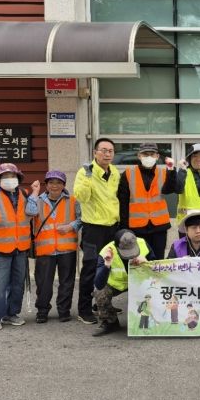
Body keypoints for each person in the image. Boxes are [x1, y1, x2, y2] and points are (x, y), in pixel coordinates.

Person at [0, 163, 39, 331]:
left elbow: (31, 213)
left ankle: (11, 314)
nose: (9, 179)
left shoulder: (23, 193)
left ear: (18, 178)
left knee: (17, 284)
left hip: (20, 248)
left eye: (12, 176)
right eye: (5, 176)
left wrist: (35, 193)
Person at [73, 137, 121, 325]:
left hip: (112, 227)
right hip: (93, 229)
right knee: (91, 268)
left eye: (110, 151)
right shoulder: (85, 172)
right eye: (103, 150)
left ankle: (102, 304)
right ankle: (84, 310)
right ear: (95, 153)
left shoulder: (114, 171)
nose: (107, 154)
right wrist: (87, 176)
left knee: (109, 267)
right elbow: (81, 197)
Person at [33, 170, 81, 324]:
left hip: (67, 249)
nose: (55, 186)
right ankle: (42, 311)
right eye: (51, 182)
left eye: (59, 182)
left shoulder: (73, 200)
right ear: (46, 185)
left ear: (64, 185)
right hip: (45, 250)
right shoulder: (37, 201)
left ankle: (64, 311)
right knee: (43, 283)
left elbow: (81, 218)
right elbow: (28, 213)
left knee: (67, 282)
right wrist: (34, 193)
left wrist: (70, 226)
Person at [118, 143, 176, 260]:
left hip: (159, 227)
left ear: (157, 156)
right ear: (139, 155)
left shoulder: (164, 172)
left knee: (158, 261)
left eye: (152, 154)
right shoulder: (128, 174)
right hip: (136, 227)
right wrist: (124, 228)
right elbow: (123, 203)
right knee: (139, 261)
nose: (149, 157)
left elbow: (171, 188)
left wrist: (172, 170)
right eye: (145, 154)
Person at [92, 229, 155, 336]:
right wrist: (107, 265)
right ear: (116, 246)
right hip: (116, 284)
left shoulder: (143, 244)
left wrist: (147, 263)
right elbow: (98, 284)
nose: (130, 255)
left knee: (154, 288)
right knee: (99, 292)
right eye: (126, 252)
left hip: (138, 282)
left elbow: (157, 271)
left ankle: (151, 320)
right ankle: (110, 322)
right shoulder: (106, 252)